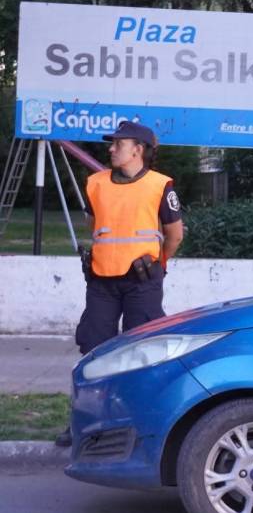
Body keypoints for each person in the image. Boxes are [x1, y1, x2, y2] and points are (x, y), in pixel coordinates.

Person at [59, 121, 183, 446]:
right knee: (93, 350)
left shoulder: (160, 185)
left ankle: (143, 422)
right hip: (101, 282)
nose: (111, 148)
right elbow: (94, 225)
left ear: (137, 150)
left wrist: (157, 266)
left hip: (142, 284)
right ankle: (84, 424)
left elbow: (175, 235)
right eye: (112, 144)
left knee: (144, 352)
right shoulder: (96, 183)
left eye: (118, 143)